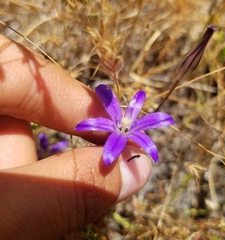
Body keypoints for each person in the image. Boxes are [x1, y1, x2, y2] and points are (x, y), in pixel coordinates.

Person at [0, 34, 152, 240]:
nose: (125, 124)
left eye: (128, 124)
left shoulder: (134, 121)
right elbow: (91, 129)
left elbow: (147, 108)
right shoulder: (111, 122)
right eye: (123, 122)